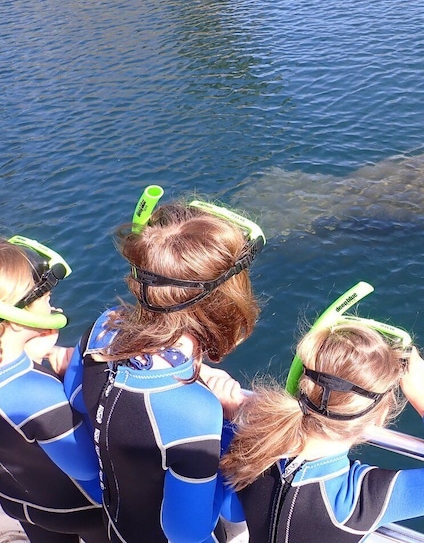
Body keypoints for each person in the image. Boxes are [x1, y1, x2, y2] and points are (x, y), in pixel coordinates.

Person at [64, 197, 264, 543]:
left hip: (116, 523)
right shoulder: (194, 412)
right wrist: (231, 426)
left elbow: (80, 415)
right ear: (227, 304)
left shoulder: (104, 327)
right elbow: (188, 531)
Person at [219, 311, 424, 542]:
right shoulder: (354, 501)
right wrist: (422, 398)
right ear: (379, 416)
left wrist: (234, 421)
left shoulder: (252, 447)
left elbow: (232, 513)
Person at [0, 236, 107, 543]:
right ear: (18, 320)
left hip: (20, 505)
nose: (54, 306)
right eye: (45, 300)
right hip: (78, 511)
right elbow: (86, 467)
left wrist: (32, 355)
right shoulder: (36, 393)